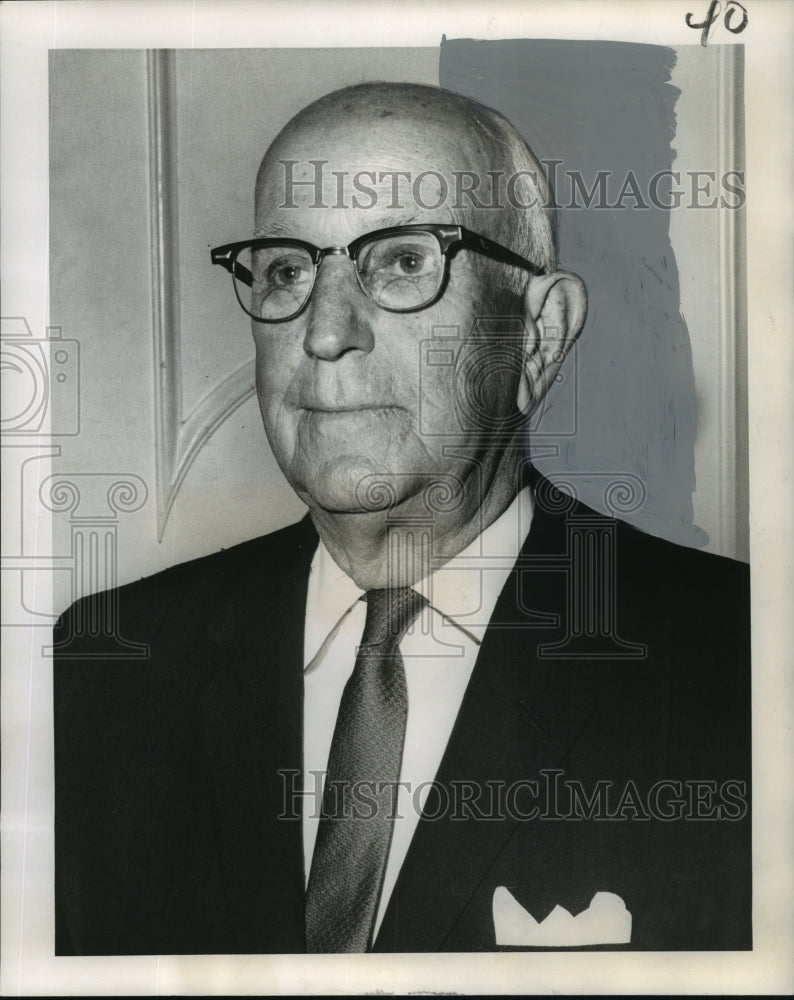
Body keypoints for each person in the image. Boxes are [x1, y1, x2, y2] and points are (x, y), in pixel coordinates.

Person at [54, 82, 751, 955]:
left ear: (537, 334)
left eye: (404, 262)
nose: (324, 332)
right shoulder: (106, 669)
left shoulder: (744, 660)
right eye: (286, 270)